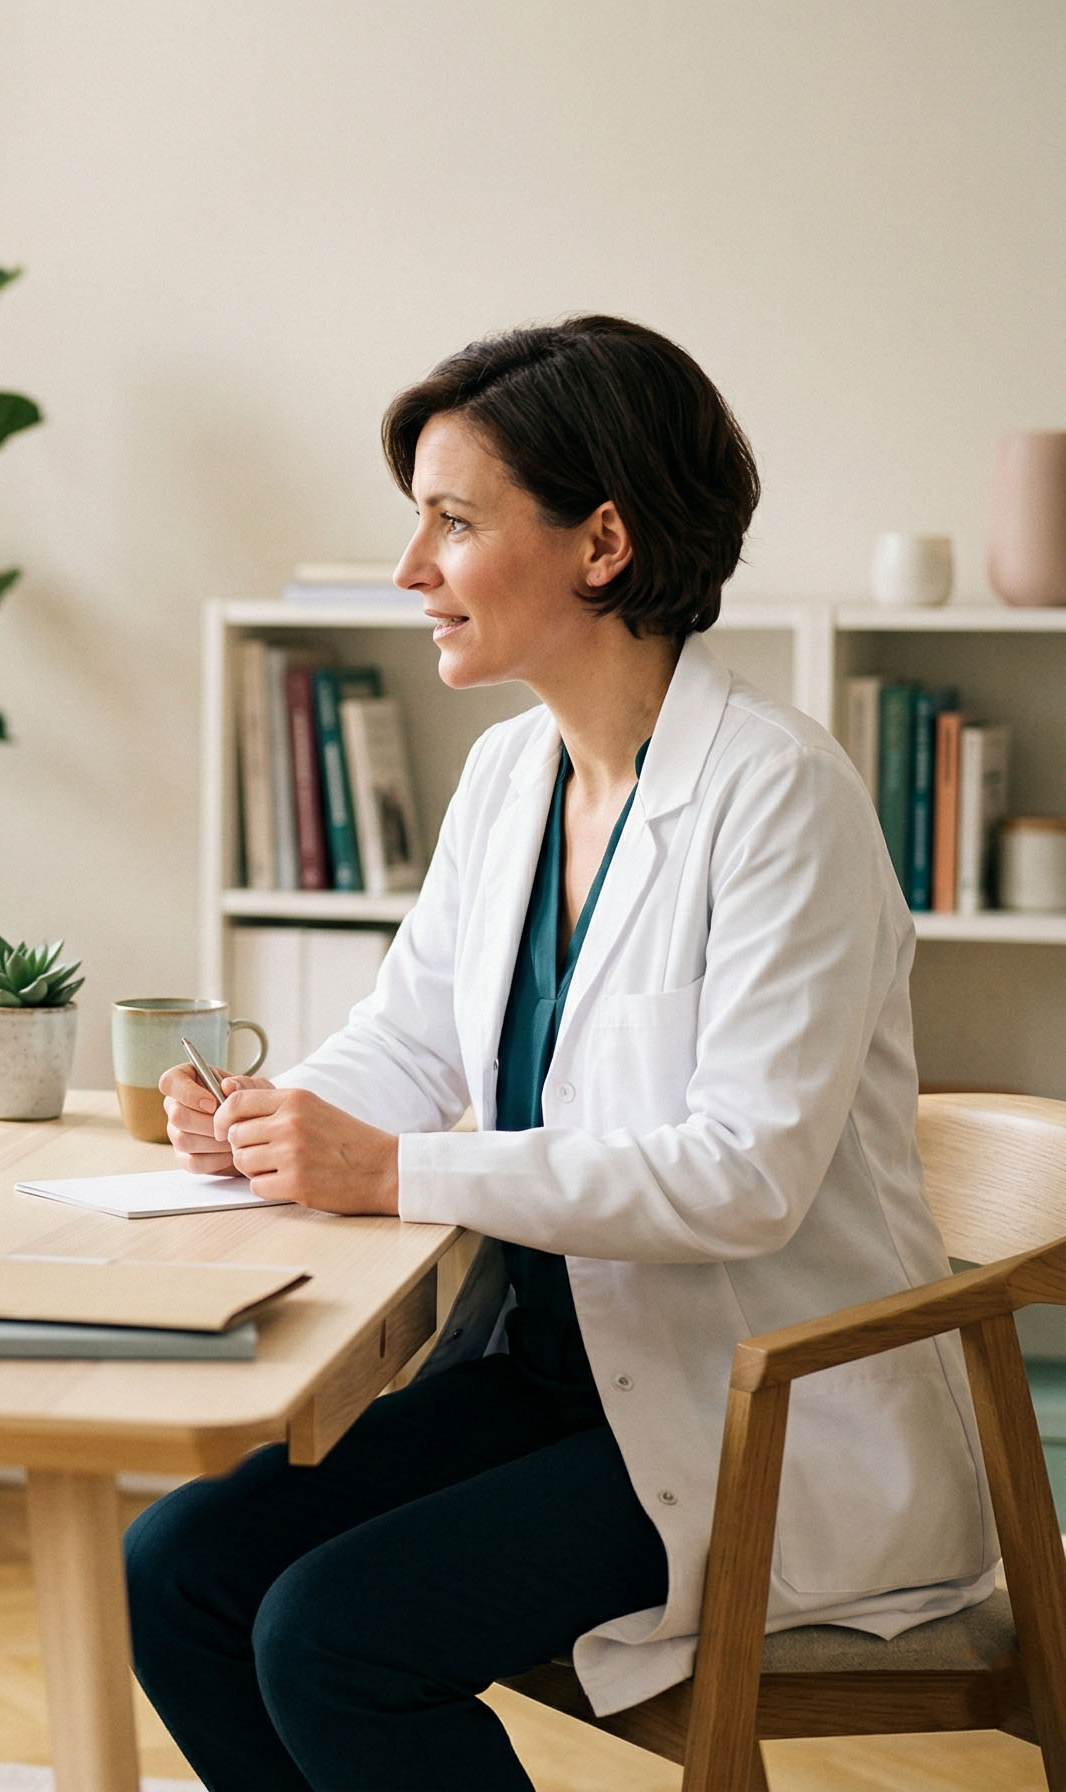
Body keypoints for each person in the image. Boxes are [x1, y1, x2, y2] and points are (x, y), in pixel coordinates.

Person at [124, 317, 995, 1791]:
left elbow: (745, 1181)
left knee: (331, 1639)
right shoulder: (509, 775)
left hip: (747, 1419)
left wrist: (396, 1170)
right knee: (181, 1567)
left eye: (453, 524)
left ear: (603, 542)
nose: (413, 571)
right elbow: (408, 1034)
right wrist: (280, 1119)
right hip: (549, 1378)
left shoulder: (782, 800)